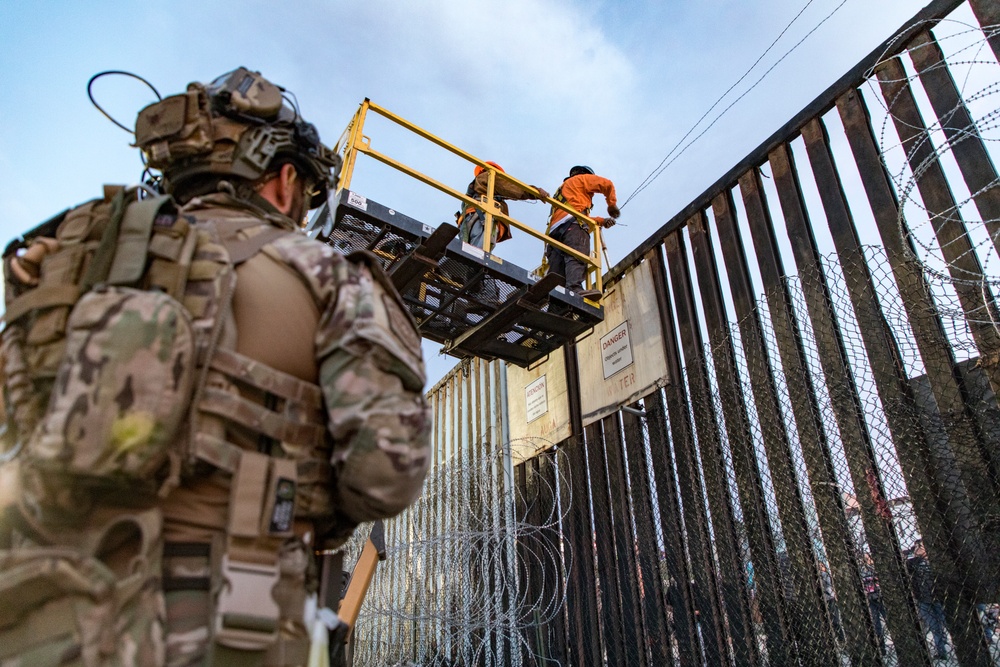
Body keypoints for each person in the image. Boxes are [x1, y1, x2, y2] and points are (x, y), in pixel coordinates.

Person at [4, 67, 432, 665]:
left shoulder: (60, 260)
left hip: (38, 619)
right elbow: (386, 474)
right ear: (286, 181)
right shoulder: (329, 278)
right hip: (224, 624)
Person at [544, 165, 619, 299]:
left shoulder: (563, 190)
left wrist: (602, 221)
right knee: (577, 256)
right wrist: (611, 205)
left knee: (557, 269)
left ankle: (556, 303)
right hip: (572, 226)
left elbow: (579, 215)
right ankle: (574, 289)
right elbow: (607, 184)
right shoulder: (582, 179)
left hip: (554, 233)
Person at [456, 161, 548, 250]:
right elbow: (513, 189)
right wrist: (535, 192)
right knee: (478, 253)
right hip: (483, 217)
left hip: (468, 220)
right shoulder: (490, 176)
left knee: (466, 252)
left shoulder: (473, 189)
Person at [907, 539, 950, 660]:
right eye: (916, 547)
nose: (918, 549)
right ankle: (941, 652)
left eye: (920, 546)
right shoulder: (914, 563)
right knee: (934, 627)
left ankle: (952, 646)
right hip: (923, 598)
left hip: (938, 597)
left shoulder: (936, 560)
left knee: (946, 623)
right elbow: (906, 566)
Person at [861, 552, 887, 654]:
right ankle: (882, 648)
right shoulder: (862, 572)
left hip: (880, 598)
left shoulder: (875, 569)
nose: (866, 562)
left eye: (867, 559)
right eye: (864, 560)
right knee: (877, 625)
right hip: (871, 599)